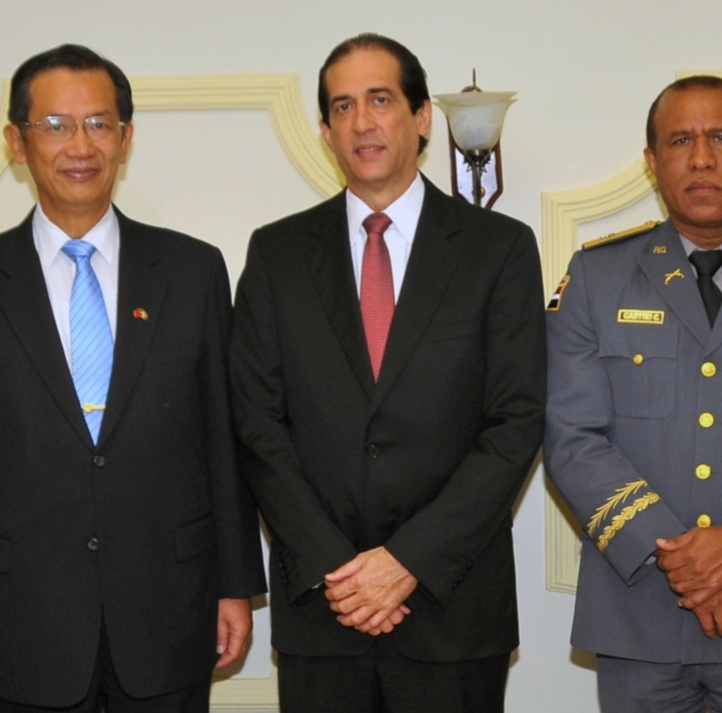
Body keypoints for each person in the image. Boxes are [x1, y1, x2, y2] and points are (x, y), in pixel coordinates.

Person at [0, 44, 266, 713]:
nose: (80, 145)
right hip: (22, 618)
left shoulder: (192, 271)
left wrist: (235, 584)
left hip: (171, 608)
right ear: (16, 143)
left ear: (126, 138)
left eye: (99, 124)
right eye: (55, 125)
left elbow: (222, 438)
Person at [229, 33, 545, 713]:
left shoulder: (499, 249)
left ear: (422, 116)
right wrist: (340, 571)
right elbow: (257, 425)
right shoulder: (277, 254)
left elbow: (515, 423)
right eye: (343, 107)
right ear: (325, 131)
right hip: (325, 610)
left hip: (452, 609)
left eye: (380, 100)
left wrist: (407, 563)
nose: (362, 122)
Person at [545, 75, 722, 712]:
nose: (701, 158)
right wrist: (687, 565)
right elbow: (571, 437)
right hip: (639, 614)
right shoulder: (597, 276)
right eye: (680, 141)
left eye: (720, 138)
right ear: (653, 162)